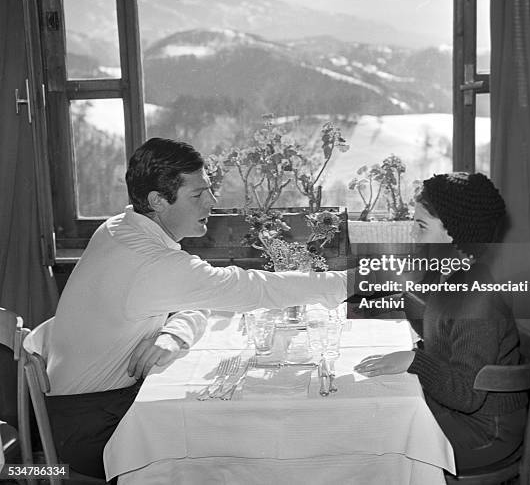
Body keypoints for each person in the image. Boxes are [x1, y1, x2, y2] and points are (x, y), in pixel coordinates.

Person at [46, 137, 348, 479]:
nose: (213, 201)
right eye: (198, 195)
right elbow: (245, 289)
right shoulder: (151, 261)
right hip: (89, 429)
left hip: (91, 406)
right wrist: (350, 283)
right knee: (236, 442)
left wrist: (174, 334)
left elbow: (197, 298)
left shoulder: (121, 228)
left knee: (229, 426)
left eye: (209, 190)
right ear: (158, 201)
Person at [355, 172, 527, 472]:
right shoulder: (447, 275)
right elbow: (441, 335)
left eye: (421, 226)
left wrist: (414, 360)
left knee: (377, 447)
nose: (412, 233)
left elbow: (467, 395)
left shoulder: (477, 298)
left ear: (455, 234)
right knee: (374, 417)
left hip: (485, 432)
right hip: (455, 410)